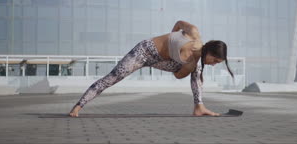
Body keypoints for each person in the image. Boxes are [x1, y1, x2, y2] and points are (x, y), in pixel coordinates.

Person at [68, 20, 234, 117]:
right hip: (144, 51)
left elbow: (177, 75)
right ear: (210, 51)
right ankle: (78, 106)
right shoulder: (193, 32)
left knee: (196, 70)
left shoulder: (192, 63)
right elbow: (178, 24)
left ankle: (199, 106)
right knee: (114, 77)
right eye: (215, 60)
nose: (214, 64)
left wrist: (184, 64)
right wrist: (171, 39)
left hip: (161, 61)